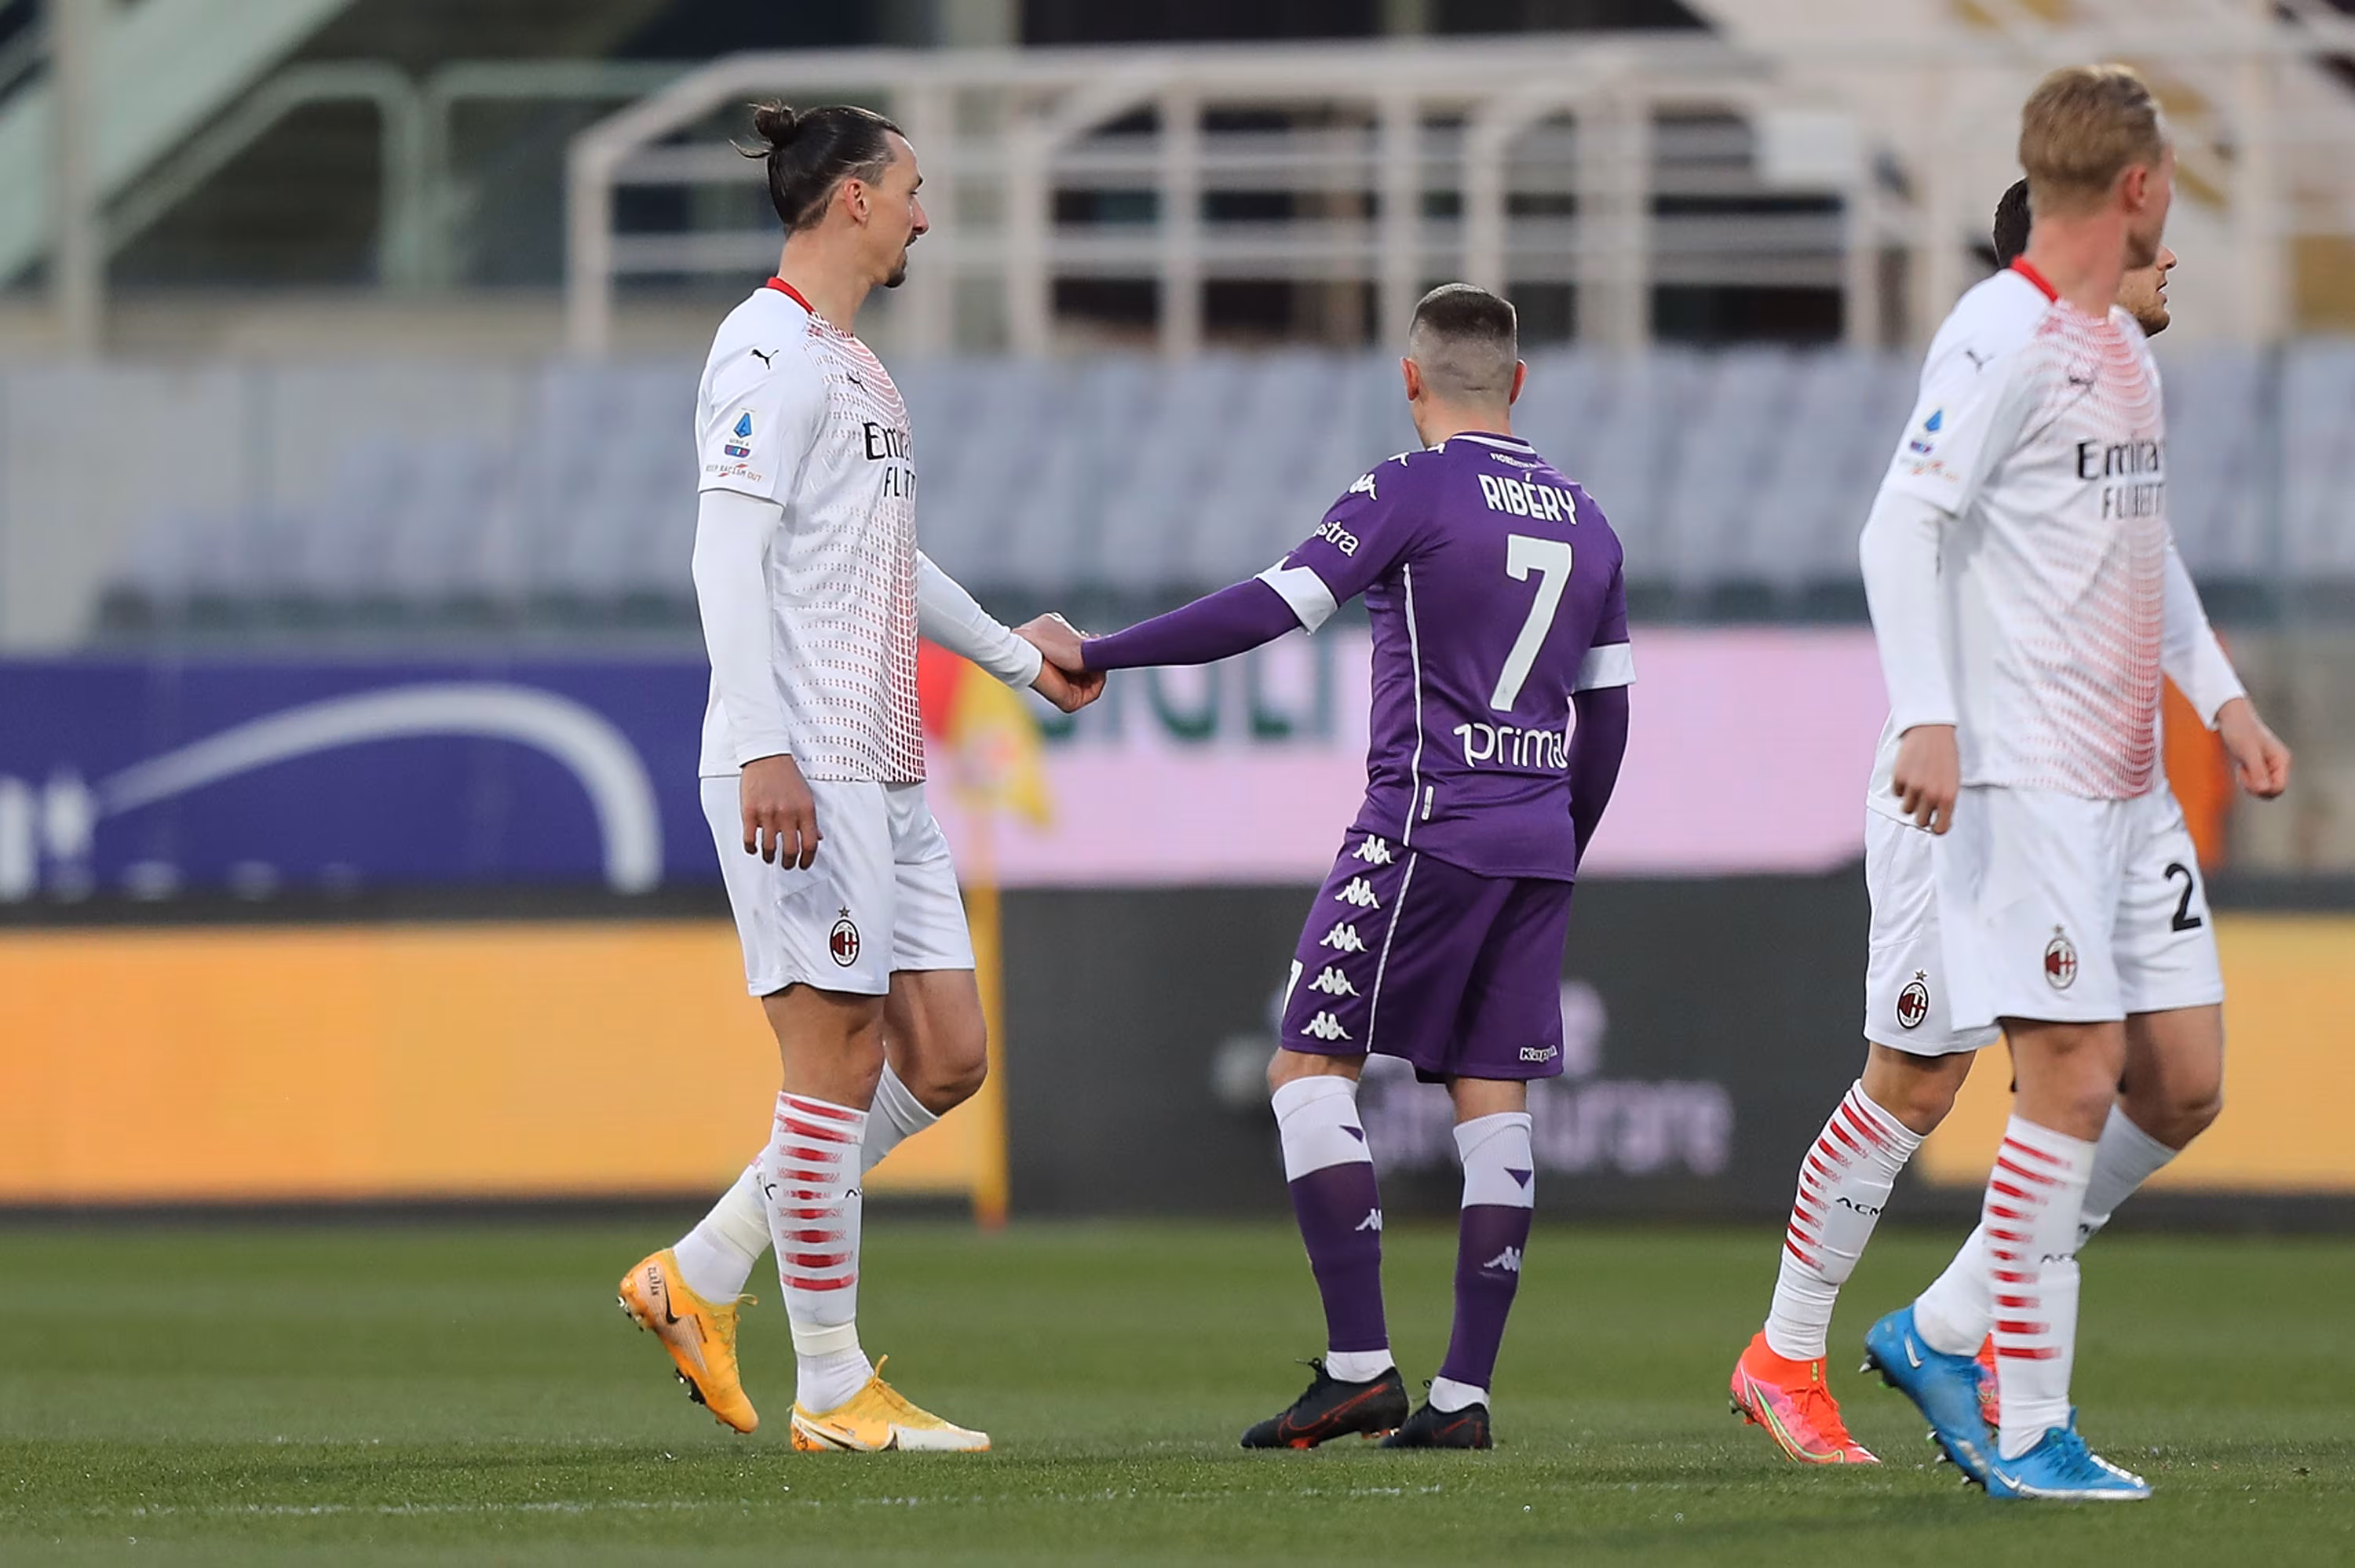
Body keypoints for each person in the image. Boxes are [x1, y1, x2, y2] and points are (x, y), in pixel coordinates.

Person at [1727, 177, 2289, 1474]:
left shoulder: (2114, 386)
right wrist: (1930, 711)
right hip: (1969, 780)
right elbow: (1899, 530)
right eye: (2150, 237)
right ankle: (1786, 1352)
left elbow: (2150, 563)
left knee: (2168, 1081)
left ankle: (1958, 1323)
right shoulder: (2001, 359)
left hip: (2093, 786)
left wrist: (2227, 702)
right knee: (1922, 1080)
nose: (2173, 259)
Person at [1024, 284, 1634, 1451]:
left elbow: (1272, 606)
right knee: (1490, 1094)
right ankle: (1465, 1394)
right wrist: (1556, 843)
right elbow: (1606, 725)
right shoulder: (1590, 521)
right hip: (1537, 836)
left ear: (1412, 382)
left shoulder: (1407, 489)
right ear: (1520, 383)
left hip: (1421, 826)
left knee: (1307, 1067)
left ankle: (1360, 1367)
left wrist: (1098, 650)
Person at [613, 101, 1101, 1454]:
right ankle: (830, 1387)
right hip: (806, 757)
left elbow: (889, 561)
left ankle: (703, 1270)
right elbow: (724, 556)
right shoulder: (763, 349)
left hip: (881, 766)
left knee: (945, 1056)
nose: (924, 215)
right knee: (827, 1067)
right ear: (849, 203)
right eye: (911, 191)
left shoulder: (855, 367)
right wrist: (762, 740)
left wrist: (1015, 658)